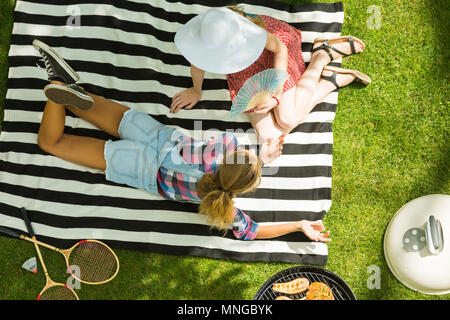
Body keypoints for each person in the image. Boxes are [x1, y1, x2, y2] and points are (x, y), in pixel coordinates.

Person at [32, 40, 331, 243]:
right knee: (54, 143)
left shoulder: (225, 145)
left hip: (154, 134)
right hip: (143, 167)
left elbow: (241, 158)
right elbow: (252, 231)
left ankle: (66, 89)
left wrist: (261, 157)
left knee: (85, 104)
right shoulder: (222, 207)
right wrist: (298, 225)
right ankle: (58, 90)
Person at [171, 7, 371, 142]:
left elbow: (280, 50)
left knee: (287, 119)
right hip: (244, 75)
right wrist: (196, 90)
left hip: (273, 57)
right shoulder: (205, 39)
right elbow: (197, 65)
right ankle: (327, 77)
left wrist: (275, 93)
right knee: (270, 138)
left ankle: (319, 63)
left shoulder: (250, 29)